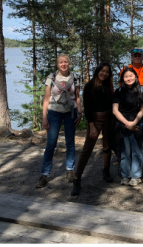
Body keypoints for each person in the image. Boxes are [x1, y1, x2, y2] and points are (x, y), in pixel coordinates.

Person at [36, 55, 82, 189]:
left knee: (70, 143)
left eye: (66, 62)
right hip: (54, 113)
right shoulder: (51, 78)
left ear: (69, 63)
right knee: (51, 144)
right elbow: (46, 98)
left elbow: (77, 97)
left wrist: (80, 112)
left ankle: (69, 170)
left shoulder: (75, 78)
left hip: (70, 113)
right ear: (57, 64)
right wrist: (44, 117)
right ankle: (44, 174)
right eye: (61, 62)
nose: (64, 64)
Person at [73, 63, 118, 196]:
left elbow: (112, 101)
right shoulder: (90, 86)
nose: (104, 74)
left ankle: (106, 171)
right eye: (102, 71)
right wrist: (91, 125)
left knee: (107, 147)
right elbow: (87, 107)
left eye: (107, 72)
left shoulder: (108, 85)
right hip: (96, 119)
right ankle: (77, 178)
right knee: (87, 149)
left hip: (109, 117)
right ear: (98, 71)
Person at [122, 49, 143, 170]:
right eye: (135, 56)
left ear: (142, 57)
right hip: (131, 105)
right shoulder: (125, 69)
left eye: (139, 56)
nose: (137, 58)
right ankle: (134, 151)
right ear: (131, 57)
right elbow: (122, 86)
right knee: (134, 127)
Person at [113, 68, 143, 186]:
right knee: (124, 150)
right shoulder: (118, 91)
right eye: (126, 76)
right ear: (122, 78)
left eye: (131, 76)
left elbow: (142, 110)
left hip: (137, 122)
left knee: (137, 150)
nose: (128, 78)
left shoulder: (141, 91)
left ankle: (136, 175)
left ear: (136, 77)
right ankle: (125, 175)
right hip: (122, 123)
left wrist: (134, 123)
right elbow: (115, 110)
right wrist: (127, 124)